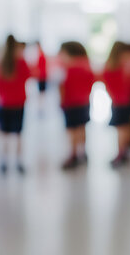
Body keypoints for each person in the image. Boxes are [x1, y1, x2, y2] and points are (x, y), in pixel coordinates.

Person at [0, 35, 31, 175]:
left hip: (4, 102)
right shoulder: (21, 61)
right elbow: (28, 76)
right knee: (18, 133)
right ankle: (18, 161)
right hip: (19, 102)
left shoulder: (0, 62)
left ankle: (3, 161)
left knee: (4, 133)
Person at [99, 41, 130, 168]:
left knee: (122, 128)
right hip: (122, 102)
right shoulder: (121, 67)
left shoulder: (111, 66)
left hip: (120, 101)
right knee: (123, 128)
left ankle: (122, 152)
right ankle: (121, 152)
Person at [58, 41, 95, 170]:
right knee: (82, 127)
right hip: (84, 102)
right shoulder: (86, 65)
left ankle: (72, 154)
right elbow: (92, 81)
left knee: (72, 130)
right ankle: (82, 152)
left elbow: (62, 87)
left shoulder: (66, 67)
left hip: (70, 103)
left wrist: (61, 101)